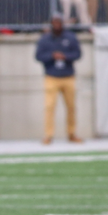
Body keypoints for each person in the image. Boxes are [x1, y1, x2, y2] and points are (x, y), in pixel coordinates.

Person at [35, 13, 83, 145]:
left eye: (59, 22)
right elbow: (38, 56)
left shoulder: (70, 37)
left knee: (71, 106)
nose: (57, 25)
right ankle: (48, 135)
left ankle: (71, 133)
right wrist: (52, 56)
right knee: (49, 106)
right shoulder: (45, 39)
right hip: (51, 76)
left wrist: (65, 56)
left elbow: (78, 53)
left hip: (68, 76)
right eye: (54, 22)